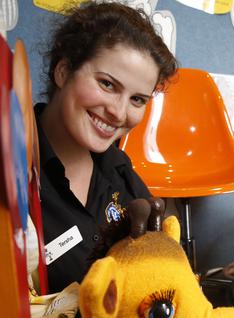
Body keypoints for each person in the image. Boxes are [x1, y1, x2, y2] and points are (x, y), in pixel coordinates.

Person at [37, 2, 178, 294]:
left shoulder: (121, 174)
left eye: (137, 99)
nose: (118, 112)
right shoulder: (7, 161)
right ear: (63, 71)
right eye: (107, 84)